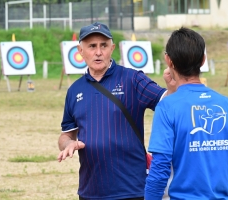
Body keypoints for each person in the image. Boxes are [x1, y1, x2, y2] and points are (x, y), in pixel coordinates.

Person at [57, 22, 175, 200]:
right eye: (92, 46)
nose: (98, 52)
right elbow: (66, 135)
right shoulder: (74, 90)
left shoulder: (133, 79)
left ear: (112, 48)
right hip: (90, 191)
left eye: (103, 45)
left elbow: (167, 102)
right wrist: (68, 144)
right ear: (80, 51)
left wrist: (172, 88)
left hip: (132, 189)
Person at [145, 27, 228, 200]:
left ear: (168, 60)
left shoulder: (167, 107)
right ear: (203, 59)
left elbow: (160, 169)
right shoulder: (226, 104)